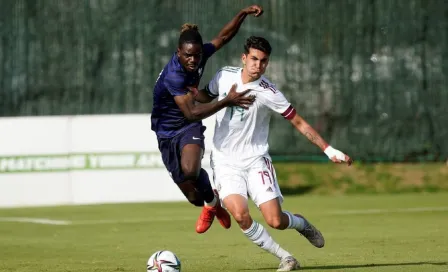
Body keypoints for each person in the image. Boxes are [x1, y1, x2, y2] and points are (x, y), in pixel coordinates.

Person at [194, 36, 353, 271]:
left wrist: (328, 149)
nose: (258, 65)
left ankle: (301, 224)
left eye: (264, 61)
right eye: (254, 59)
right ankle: (286, 257)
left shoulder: (269, 91)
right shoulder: (224, 75)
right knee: (239, 214)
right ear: (244, 58)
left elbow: (298, 122)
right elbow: (204, 96)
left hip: (256, 160)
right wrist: (180, 93)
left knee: (275, 221)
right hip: (225, 161)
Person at [151, 5, 263, 234]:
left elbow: (223, 37)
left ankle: (212, 204)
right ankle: (212, 204)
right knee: (193, 197)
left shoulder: (199, 55)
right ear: (178, 52)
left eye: (197, 54)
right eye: (187, 55)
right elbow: (192, 111)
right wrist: (227, 101)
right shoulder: (174, 75)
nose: (193, 60)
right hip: (166, 131)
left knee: (191, 169)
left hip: (187, 125)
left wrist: (242, 13)